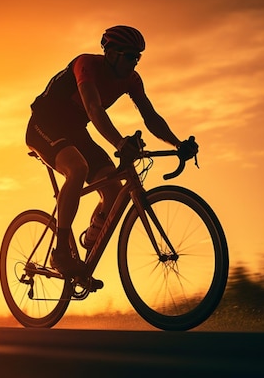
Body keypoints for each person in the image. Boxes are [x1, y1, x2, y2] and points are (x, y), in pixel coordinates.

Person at [25, 25, 198, 280]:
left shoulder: (131, 79)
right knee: (78, 168)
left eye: (138, 57)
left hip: (74, 130)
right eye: (130, 56)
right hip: (44, 124)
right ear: (112, 53)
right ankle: (61, 252)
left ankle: (88, 248)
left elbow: (150, 116)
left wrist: (178, 143)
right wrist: (119, 143)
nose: (134, 63)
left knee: (115, 190)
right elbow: (94, 109)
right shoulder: (86, 65)